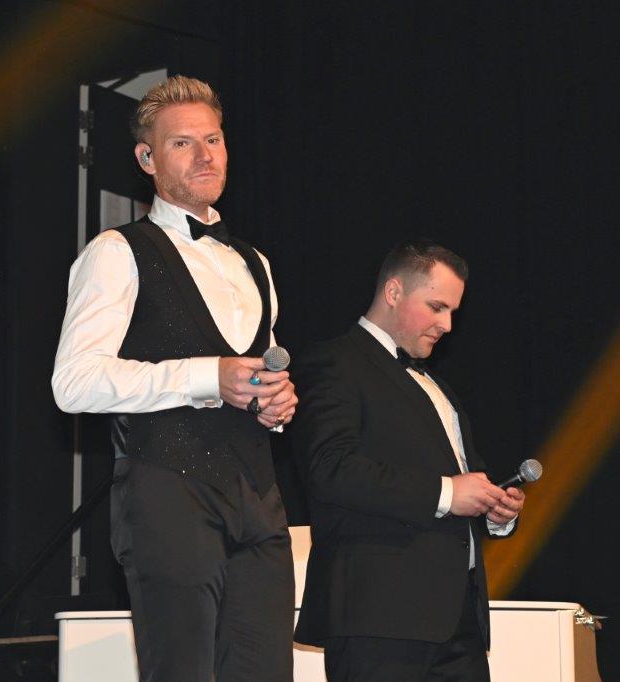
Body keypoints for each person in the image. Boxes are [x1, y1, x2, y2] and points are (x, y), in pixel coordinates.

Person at [51, 75, 297, 682]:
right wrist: (207, 376)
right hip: (168, 488)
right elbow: (73, 382)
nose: (205, 155)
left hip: (258, 498)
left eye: (213, 139)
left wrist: (273, 403)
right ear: (147, 159)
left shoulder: (255, 262)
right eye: (182, 143)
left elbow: (252, 373)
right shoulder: (116, 251)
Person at [292, 238, 525, 681]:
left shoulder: (436, 386)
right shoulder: (334, 362)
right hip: (380, 617)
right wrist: (448, 493)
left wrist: (494, 508)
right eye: (437, 307)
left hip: (458, 623)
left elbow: (464, 480)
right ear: (394, 291)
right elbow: (330, 469)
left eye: (453, 311)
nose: (447, 325)